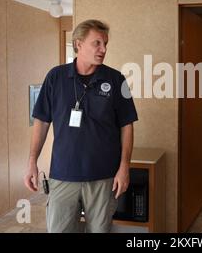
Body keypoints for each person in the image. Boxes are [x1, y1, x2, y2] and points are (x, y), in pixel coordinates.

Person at [24, 19, 138, 233]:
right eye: (97, 43)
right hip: (63, 175)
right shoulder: (55, 77)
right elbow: (41, 121)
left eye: (105, 43)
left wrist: (124, 167)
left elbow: (127, 126)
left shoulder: (116, 79)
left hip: (104, 177)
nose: (103, 49)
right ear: (78, 44)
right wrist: (32, 161)